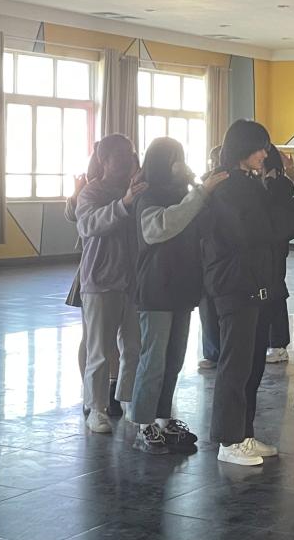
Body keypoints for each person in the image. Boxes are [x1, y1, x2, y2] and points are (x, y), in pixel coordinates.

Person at [203, 121, 294, 466]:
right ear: (242, 148)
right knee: (236, 365)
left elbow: (275, 222)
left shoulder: (249, 183)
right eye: (259, 148)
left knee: (252, 364)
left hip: (254, 284)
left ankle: (243, 433)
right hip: (235, 284)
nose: (264, 154)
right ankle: (229, 440)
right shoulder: (229, 187)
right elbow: (262, 229)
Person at [129, 137, 228, 454]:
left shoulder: (186, 194)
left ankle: (163, 418)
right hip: (156, 287)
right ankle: (142, 423)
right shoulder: (149, 196)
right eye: (174, 158)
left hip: (183, 286)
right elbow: (160, 228)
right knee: (153, 360)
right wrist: (199, 194)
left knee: (173, 359)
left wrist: (199, 188)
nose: (180, 164)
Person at [75, 134, 146, 433]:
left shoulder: (138, 190)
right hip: (100, 281)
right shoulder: (91, 191)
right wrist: (124, 203)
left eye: (130, 154)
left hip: (133, 280)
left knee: (133, 346)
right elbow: (89, 224)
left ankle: (127, 400)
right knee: (99, 350)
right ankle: (96, 408)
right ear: (104, 160)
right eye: (120, 155)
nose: (127, 160)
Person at [64, 147, 102, 413]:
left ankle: (110, 388)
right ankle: (91, 391)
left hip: (117, 270)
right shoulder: (90, 190)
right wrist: (77, 193)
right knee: (91, 337)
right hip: (92, 270)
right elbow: (73, 215)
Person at [261, 145, 294, 365]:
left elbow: (276, 209)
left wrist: (270, 183)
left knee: (275, 291)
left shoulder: (281, 184)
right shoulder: (258, 182)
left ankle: (279, 344)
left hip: (275, 246)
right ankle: (270, 341)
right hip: (263, 247)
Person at [197, 145, 224, 372]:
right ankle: (213, 352)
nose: (214, 165)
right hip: (205, 252)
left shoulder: (232, 184)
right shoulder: (203, 185)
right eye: (212, 161)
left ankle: (223, 351)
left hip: (222, 251)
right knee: (207, 307)